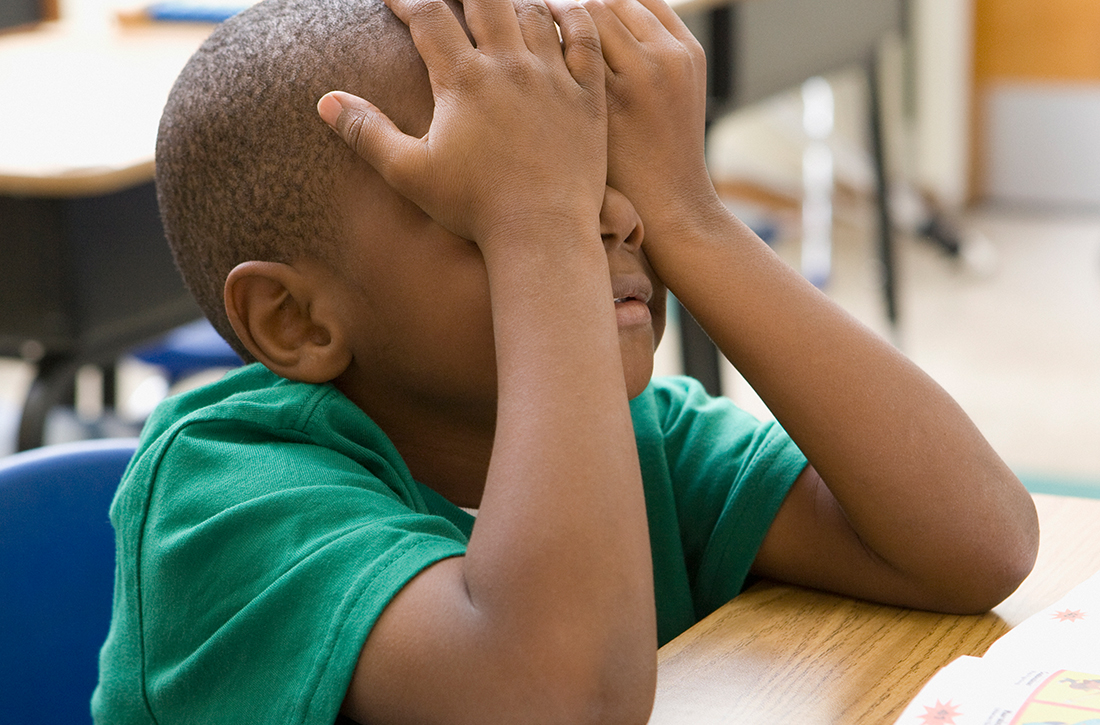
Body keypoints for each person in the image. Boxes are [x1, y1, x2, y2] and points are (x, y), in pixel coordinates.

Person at [93, 0, 1040, 722]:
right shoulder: (222, 494)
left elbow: (977, 541)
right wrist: (542, 226)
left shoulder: (635, 440)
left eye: (606, 174)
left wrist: (689, 212)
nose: (616, 217)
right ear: (294, 321)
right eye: (493, 205)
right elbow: (562, 694)